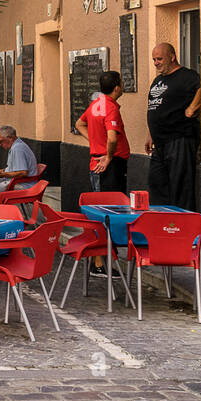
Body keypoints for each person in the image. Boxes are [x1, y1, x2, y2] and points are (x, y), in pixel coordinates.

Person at [75, 70, 130, 277]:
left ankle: (100, 262)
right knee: (107, 214)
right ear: (117, 87)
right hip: (109, 165)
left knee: (100, 212)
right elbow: (113, 138)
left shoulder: (95, 104)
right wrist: (107, 154)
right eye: (122, 82)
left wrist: (93, 142)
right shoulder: (110, 108)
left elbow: (79, 124)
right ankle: (99, 263)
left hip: (96, 162)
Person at [145, 42, 201, 210]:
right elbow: (154, 106)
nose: (156, 63)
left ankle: (182, 226)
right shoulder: (158, 80)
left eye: (159, 59)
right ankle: (162, 223)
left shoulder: (187, 76)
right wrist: (150, 134)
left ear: (172, 56)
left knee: (180, 187)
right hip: (159, 143)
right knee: (157, 184)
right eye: (154, 59)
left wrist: (192, 107)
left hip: (179, 139)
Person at [0, 125, 37, 194]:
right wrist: (1, 171)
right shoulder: (16, 146)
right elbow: (15, 168)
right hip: (17, 182)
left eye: (1, 141)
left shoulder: (17, 148)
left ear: (10, 138)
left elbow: (23, 173)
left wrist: (3, 174)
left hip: (23, 185)